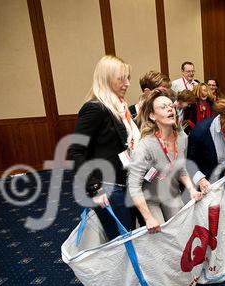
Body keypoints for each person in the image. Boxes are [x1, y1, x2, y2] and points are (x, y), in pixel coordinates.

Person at [68, 55, 140, 241]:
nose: (127, 84)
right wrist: (94, 187)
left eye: (128, 78)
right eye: (121, 78)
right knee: (121, 241)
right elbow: (75, 151)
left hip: (124, 182)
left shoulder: (119, 108)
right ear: (106, 79)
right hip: (107, 187)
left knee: (129, 235)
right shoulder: (95, 108)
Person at [128, 89, 203, 234]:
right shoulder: (145, 146)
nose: (170, 109)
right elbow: (134, 187)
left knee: (181, 232)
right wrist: (148, 218)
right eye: (163, 107)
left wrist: (191, 189)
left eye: (171, 106)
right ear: (152, 116)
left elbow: (181, 168)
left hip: (171, 194)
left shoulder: (182, 138)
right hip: (151, 200)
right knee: (161, 236)